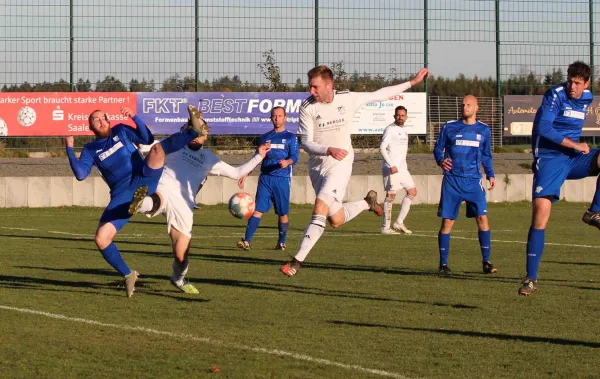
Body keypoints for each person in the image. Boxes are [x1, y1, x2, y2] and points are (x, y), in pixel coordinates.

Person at [280, 65, 429, 276]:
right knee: (336, 220)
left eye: (315, 87)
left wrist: (411, 83)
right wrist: (327, 149)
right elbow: (306, 143)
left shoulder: (347, 98)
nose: (311, 91)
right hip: (318, 166)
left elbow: (380, 94)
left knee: (320, 206)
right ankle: (367, 203)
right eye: (310, 87)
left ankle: (297, 262)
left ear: (329, 85)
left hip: (340, 165)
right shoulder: (308, 107)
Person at [65, 105, 208, 297]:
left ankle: (192, 132)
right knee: (101, 238)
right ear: (90, 127)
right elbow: (81, 174)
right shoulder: (91, 149)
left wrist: (135, 117)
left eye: (103, 118)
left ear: (109, 120)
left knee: (157, 148)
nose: (101, 121)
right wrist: (69, 147)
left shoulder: (121, 130)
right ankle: (128, 274)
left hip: (143, 175)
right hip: (121, 193)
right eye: (95, 120)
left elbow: (146, 138)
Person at [128, 112, 271, 294]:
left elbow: (237, 173)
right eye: (195, 129)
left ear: (205, 136)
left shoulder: (209, 158)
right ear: (189, 130)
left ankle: (178, 279)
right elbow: (144, 146)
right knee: (157, 200)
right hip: (164, 189)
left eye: (202, 132)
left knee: (181, 256)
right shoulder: (174, 143)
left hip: (185, 205)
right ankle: (139, 204)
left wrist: (258, 156)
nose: (198, 134)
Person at [519, 61, 599, 296]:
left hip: (573, 158)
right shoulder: (555, 95)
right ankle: (530, 279)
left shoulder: (587, 97)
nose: (572, 86)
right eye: (570, 81)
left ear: (586, 84)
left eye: (577, 83)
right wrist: (575, 144)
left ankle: (594, 211)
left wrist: (576, 148)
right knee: (541, 215)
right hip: (550, 158)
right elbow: (543, 128)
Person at [433, 95, 497, 275]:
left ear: (477, 108)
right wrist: (440, 160)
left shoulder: (484, 130)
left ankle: (487, 262)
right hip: (452, 180)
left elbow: (486, 155)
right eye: (463, 105)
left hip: (473, 181)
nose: (465, 107)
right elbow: (438, 147)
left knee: (482, 219)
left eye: (469, 105)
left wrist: (490, 174)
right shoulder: (449, 126)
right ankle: (443, 264)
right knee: (448, 222)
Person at [237, 106, 299, 251]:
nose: (277, 118)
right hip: (265, 178)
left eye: (280, 115)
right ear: (271, 118)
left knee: (282, 212)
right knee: (257, 210)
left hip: (282, 179)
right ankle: (246, 241)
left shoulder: (291, 137)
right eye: (274, 116)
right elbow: (257, 157)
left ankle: (281, 242)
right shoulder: (265, 137)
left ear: (285, 118)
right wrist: (245, 174)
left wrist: (287, 162)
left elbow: (295, 156)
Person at [380, 105, 417, 235]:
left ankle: (399, 222)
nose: (400, 117)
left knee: (412, 191)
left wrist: (403, 165)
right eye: (398, 115)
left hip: (402, 169)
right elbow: (382, 148)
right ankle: (385, 227)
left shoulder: (405, 130)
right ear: (394, 116)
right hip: (391, 168)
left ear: (406, 117)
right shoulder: (390, 129)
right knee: (391, 196)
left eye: (402, 115)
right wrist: (391, 165)